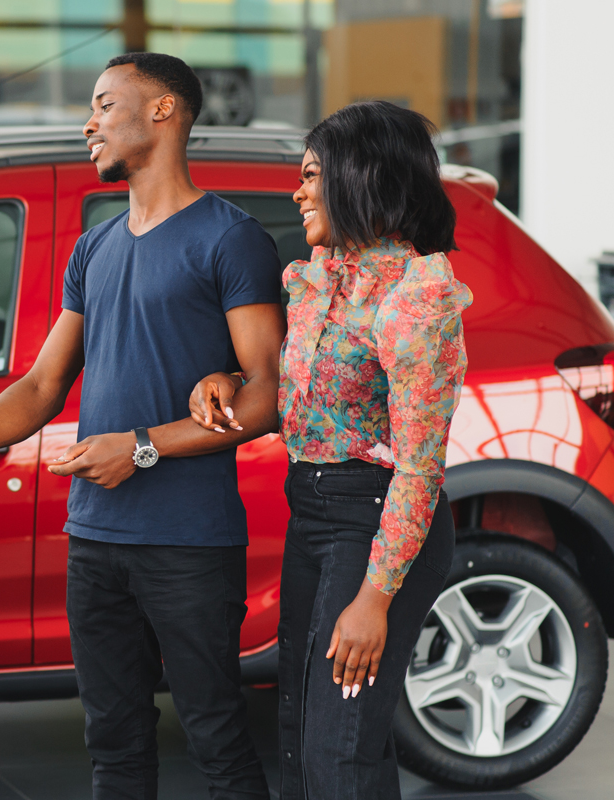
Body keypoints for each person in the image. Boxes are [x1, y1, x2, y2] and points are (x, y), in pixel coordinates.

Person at [0, 53, 285, 800]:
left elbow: (264, 394)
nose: (89, 122)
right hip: (96, 541)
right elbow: (42, 385)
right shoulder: (94, 247)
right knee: (113, 744)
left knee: (216, 738)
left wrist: (140, 449)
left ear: (164, 111)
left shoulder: (230, 238)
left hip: (190, 544)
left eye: (106, 104)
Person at [189, 101, 471, 799]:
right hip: (312, 511)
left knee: (335, 754)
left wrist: (375, 597)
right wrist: (224, 378)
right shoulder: (317, 278)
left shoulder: (416, 301)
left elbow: (419, 468)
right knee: (311, 736)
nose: (298, 191)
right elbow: (295, 387)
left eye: (312, 175)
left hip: (375, 521)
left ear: (360, 177)